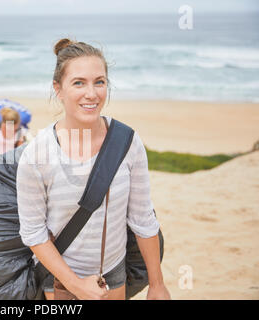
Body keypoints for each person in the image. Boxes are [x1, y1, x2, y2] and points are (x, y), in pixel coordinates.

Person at [16, 39, 171, 300]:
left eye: (99, 82)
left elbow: (143, 219)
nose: (92, 93)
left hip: (113, 273)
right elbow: (33, 233)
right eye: (79, 83)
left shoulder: (128, 142)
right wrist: (76, 285)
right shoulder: (37, 154)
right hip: (60, 280)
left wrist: (157, 284)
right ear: (59, 89)